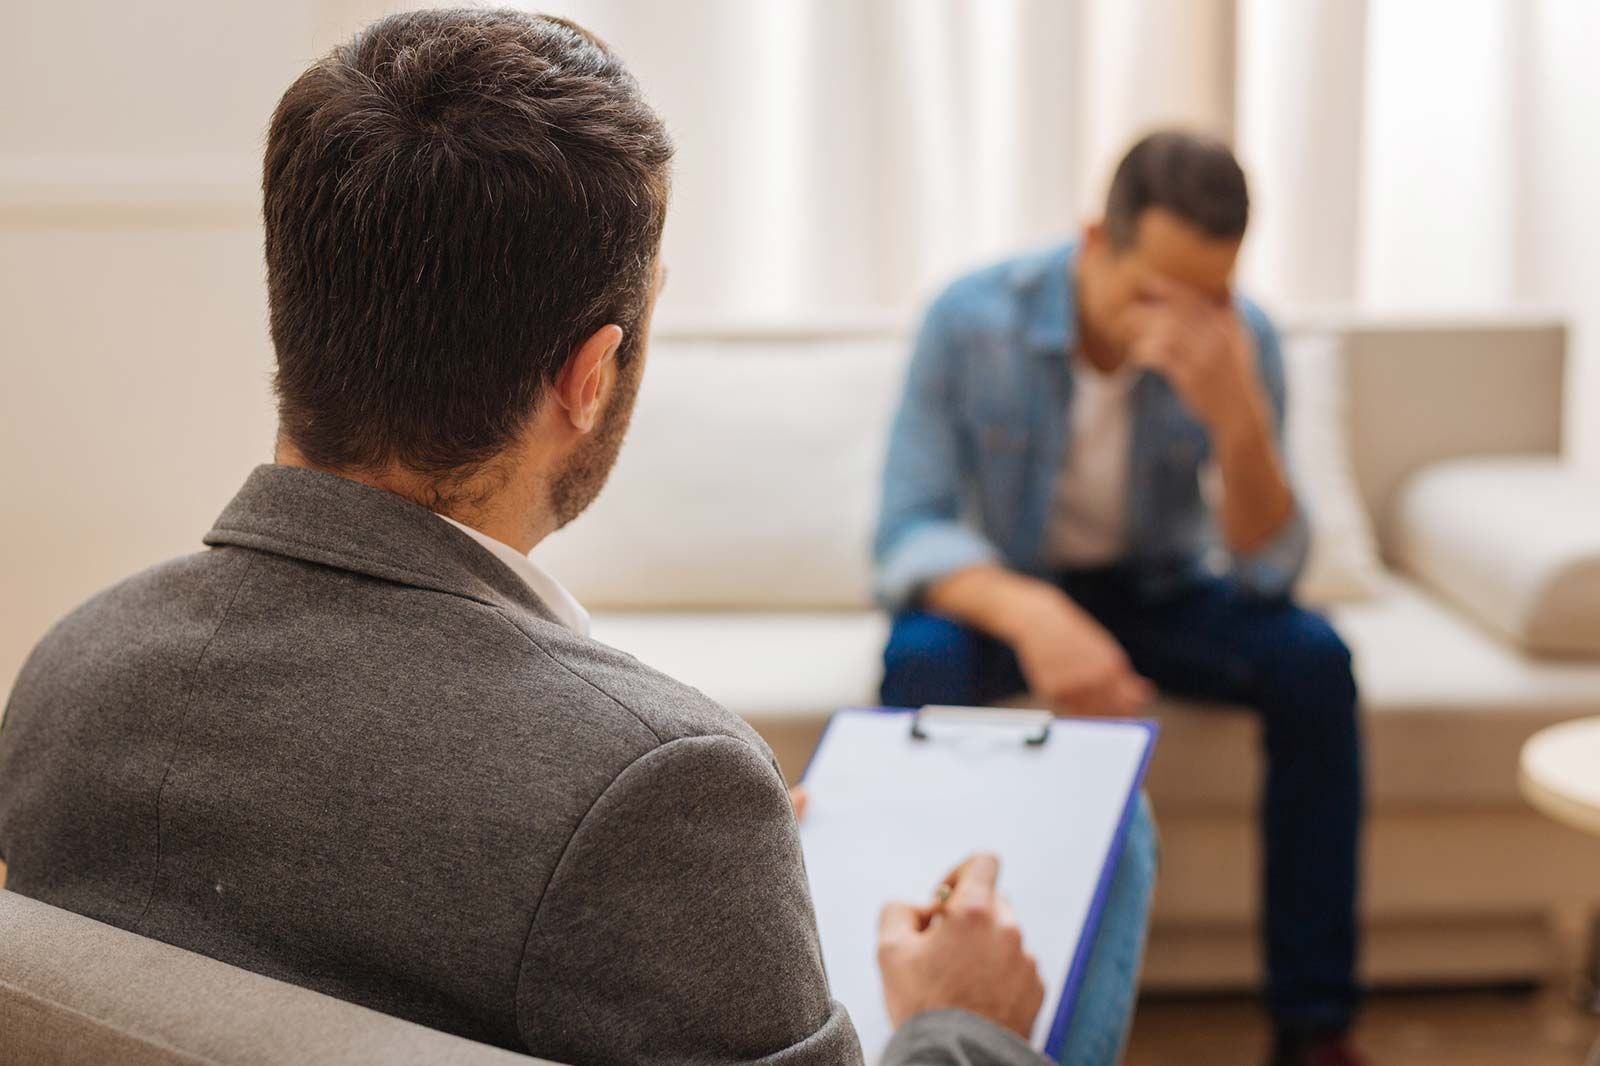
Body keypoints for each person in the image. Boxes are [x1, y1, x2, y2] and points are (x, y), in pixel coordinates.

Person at [0, 10, 1143, 1066]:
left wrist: (706, 884)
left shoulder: (68, 670)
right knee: (1112, 848)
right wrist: (958, 1022)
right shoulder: (661, 786)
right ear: (590, 376)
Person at [874, 130, 1366, 1066]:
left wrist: (1237, 415)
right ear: (1097, 239)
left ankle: (1316, 1026)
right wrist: (1035, 615)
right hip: (1010, 586)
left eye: (1209, 295)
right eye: (1152, 291)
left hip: (1159, 591)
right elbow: (909, 529)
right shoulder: (971, 318)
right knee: (918, 657)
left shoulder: (1242, 339)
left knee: (1315, 660)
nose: (1178, 320)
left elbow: (1271, 570)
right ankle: (907, 1000)